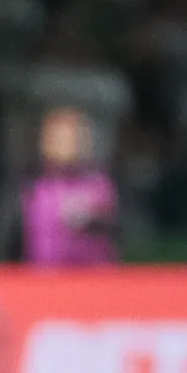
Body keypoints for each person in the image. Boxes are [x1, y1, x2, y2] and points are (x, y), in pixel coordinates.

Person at [21, 106, 117, 266]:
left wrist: (93, 220)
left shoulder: (100, 184)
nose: (67, 145)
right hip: (43, 280)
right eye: (59, 138)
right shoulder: (30, 186)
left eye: (73, 138)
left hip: (94, 280)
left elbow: (119, 231)